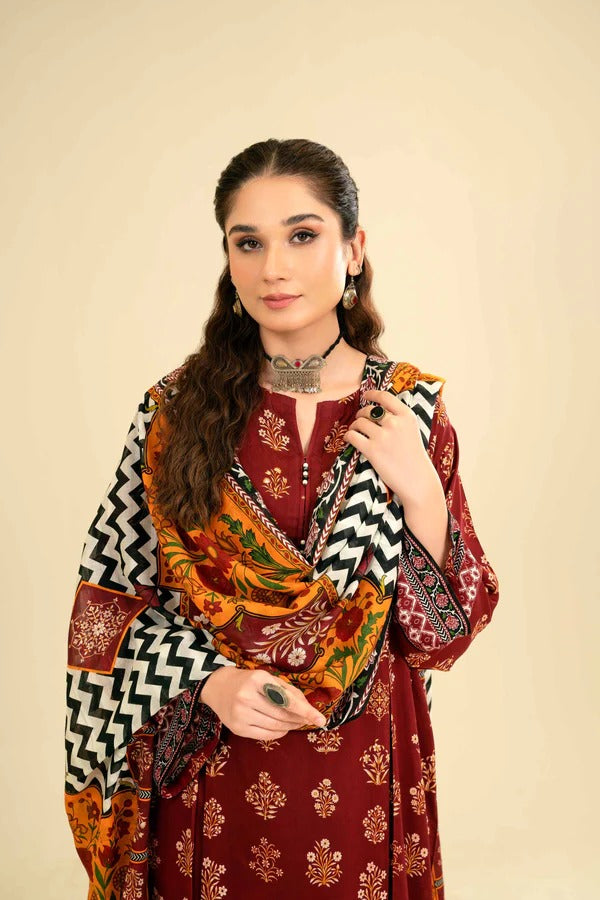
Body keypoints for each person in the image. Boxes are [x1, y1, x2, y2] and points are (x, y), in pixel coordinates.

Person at [64, 137, 500, 900]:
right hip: (217, 772)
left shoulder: (407, 412)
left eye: (302, 235)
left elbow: (445, 636)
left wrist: (422, 494)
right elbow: (107, 614)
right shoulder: (173, 415)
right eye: (249, 242)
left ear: (353, 249)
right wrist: (208, 682)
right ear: (228, 260)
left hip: (367, 775)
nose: (274, 267)